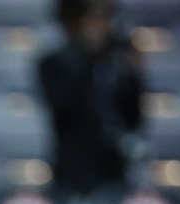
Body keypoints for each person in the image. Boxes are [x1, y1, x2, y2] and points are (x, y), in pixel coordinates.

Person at [39, 0, 142, 194]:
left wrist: (134, 75)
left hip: (114, 171)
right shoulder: (54, 63)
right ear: (77, 23)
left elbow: (134, 119)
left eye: (105, 19)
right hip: (72, 172)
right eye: (93, 19)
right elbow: (62, 108)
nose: (100, 27)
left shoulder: (116, 66)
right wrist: (89, 56)